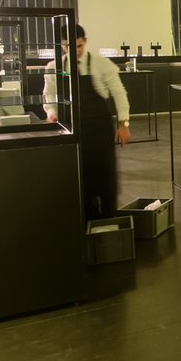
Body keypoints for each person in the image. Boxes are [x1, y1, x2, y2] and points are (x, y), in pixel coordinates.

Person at [44, 25, 131, 220]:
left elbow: (119, 93)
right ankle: (87, 222)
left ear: (86, 41)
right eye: (68, 46)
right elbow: (49, 94)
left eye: (79, 46)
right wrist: (52, 112)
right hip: (72, 130)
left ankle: (109, 220)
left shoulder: (102, 64)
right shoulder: (53, 67)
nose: (75, 51)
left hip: (100, 129)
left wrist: (123, 124)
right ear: (61, 45)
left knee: (106, 177)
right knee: (79, 177)